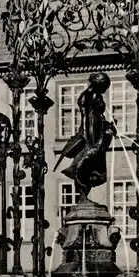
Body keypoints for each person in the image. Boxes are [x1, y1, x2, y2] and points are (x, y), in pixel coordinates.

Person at [53, 72, 116, 200]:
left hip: (97, 125)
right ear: (99, 83)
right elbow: (85, 117)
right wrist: (87, 136)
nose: (105, 91)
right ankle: (75, 169)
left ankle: (83, 193)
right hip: (90, 127)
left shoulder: (97, 96)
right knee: (93, 150)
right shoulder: (86, 96)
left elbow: (99, 115)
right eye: (105, 87)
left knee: (96, 165)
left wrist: (106, 125)